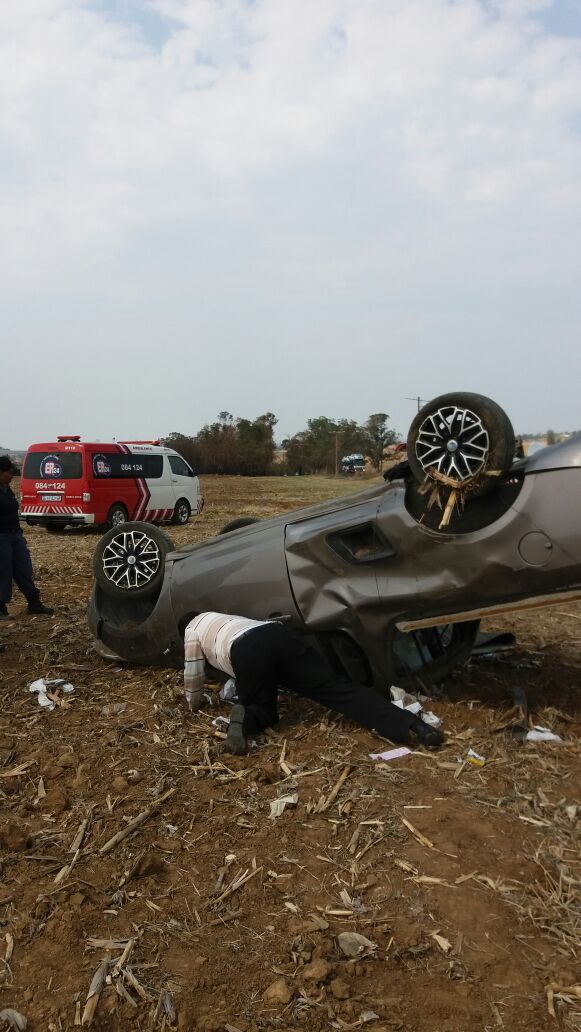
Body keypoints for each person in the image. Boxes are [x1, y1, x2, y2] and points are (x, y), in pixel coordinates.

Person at [184, 611, 444, 754]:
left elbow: (194, 672)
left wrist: (193, 703)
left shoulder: (191, 629)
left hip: (247, 650)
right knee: (336, 689)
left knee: (262, 708)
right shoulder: (220, 616)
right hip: (276, 634)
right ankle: (415, 726)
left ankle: (245, 719)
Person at [0, 456, 53, 620]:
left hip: (14, 534)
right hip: (1, 537)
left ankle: (34, 603)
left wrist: (20, 535)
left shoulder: (6, 488)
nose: (11, 476)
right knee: (3, 572)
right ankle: (1, 608)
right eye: (9, 473)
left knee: (24, 569)